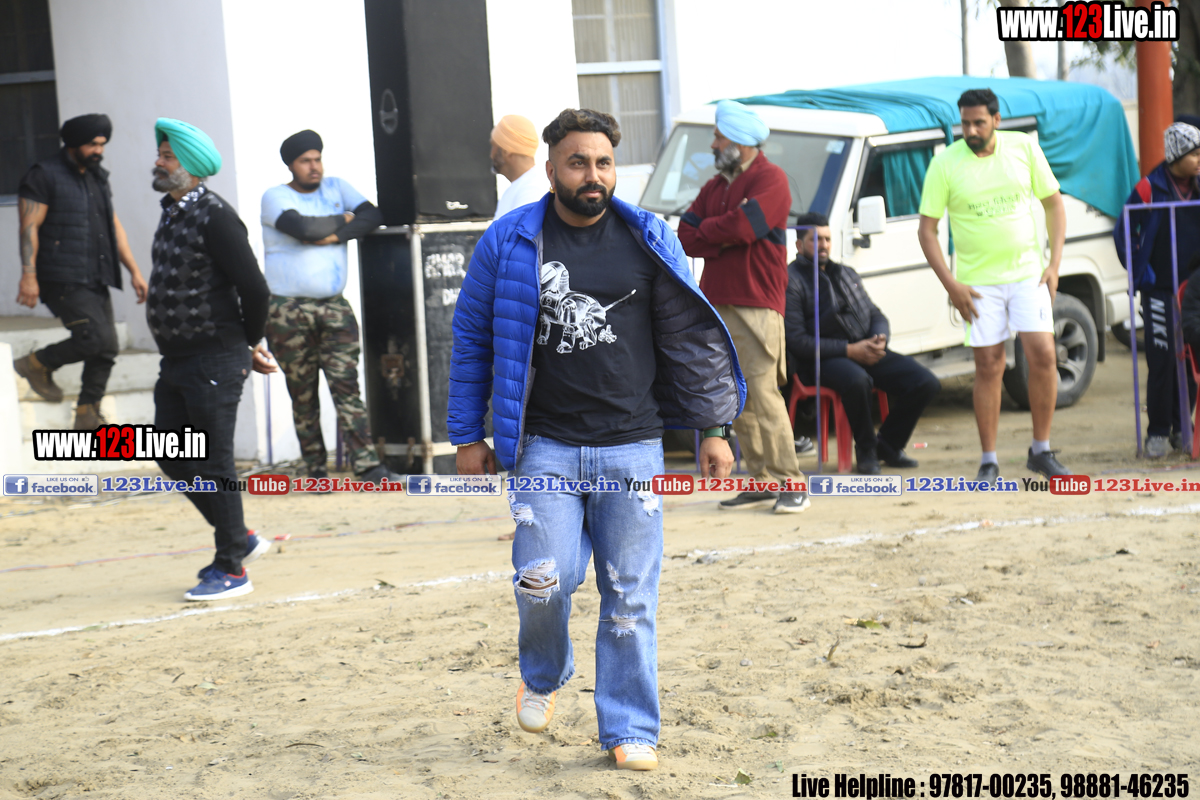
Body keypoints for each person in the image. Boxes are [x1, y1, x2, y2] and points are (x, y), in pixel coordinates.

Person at [450, 108, 744, 772]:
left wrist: (714, 427)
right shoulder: (509, 240)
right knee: (542, 581)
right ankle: (544, 673)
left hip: (633, 446)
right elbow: (470, 339)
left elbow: (692, 336)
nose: (593, 174)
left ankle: (630, 728)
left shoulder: (649, 237)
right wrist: (468, 434)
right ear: (551, 168)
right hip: (543, 446)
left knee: (629, 595)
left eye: (603, 162)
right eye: (578, 162)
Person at [147, 118, 274, 601]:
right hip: (177, 360)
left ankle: (232, 569)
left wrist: (248, 342)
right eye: (161, 154)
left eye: (168, 156)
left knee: (215, 462)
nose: (158, 162)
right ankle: (239, 536)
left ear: (192, 165)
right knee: (170, 453)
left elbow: (254, 288)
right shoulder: (173, 211)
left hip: (213, 359)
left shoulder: (215, 216)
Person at [917, 88, 1069, 483]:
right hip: (977, 285)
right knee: (989, 365)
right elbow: (927, 231)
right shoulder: (945, 163)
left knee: (1043, 355)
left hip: (1028, 275)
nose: (970, 130)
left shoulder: (1023, 148)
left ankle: (1041, 450)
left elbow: (1054, 203)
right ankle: (989, 460)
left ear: (997, 120)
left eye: (979, 122)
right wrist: (952, 285)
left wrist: (1054, 264)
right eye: (965, 123)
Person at [677, 99, 809, 512]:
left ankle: (791, 482)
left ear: (739, 140)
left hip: (757, 303)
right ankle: (763, 479)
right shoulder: (715, 187)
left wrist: (716, 233)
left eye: (718, 137)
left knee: (763, 393)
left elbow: (746, 227)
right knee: (738, 398)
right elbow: (685, 235)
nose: (713, 144)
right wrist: (727, 234)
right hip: (717, 302)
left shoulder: (771, 179)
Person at [261, 129, 398, 485]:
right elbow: (301, 227)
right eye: (305, 161)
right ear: (290, 165)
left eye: (317, 159)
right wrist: (345, 220)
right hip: (288, 311)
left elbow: (373, 214)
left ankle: (368, 467)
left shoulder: (337, 188)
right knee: (302, 393)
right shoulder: (275, 197)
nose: (314, 167)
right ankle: (316, 470)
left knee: (346, 386)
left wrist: (335, 234)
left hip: (335, 308)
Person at [13, 113, 148, 430]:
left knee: (108, 347)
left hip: (97, 274)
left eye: (102, 144)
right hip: (60, 276)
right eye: (92, 145)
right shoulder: (43, 175)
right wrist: (28, 275)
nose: (98, 150)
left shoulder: (98, 177)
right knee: (93, 339)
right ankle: (35, 363)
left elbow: (113, 226)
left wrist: (134, 271)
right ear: (73, 143)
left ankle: (87, 412)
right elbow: (28, 228)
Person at [785, 214, 941, 474]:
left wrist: (879, 338)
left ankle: (888, 445)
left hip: (863, 350)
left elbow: (875, 314)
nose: (824, 245)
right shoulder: (791, 281)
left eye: (827, 239)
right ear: (799, 245)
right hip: (821, 360)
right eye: (816, 240)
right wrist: (849, 350)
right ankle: (866, 450)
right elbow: (798, 341)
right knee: (858, 380)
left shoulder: (845, 273)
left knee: (925, 382)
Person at [1113, 122, 1200, 457]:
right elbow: (1125, 229)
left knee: (1192, 356)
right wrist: (1140, 268)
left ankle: (1183, 427)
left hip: (1193, 290)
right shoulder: (1151, 187)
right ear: (1176, 156)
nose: (1199, 159)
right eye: (1194, 154)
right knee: (1162, 359)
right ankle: (1158, 432)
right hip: (1159, 288)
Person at [491, 114, 546, 218]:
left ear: (506, 151)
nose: (491, 155)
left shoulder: (532, 190)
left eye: (493, 146)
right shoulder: (516, 189)